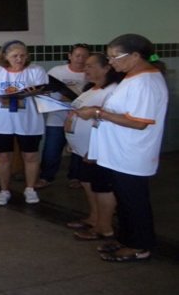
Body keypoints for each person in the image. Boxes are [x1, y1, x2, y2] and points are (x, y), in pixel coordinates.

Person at [75, 34, 168, 262]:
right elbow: (123, 111)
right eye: (109, 56)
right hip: (118, 154)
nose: (112, 62)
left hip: (132, 154)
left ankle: (139, 246)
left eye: (115, 56)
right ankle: (126, 239)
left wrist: (98, 113)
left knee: (134, 202)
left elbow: (139, 122)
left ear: (136, 55)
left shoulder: (145, 81)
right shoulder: (132, 76)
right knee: (124, 202)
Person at [63, 53, 122, 241]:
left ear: (106, 68)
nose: (85, 69)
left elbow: (108, 122)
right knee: (88, 184)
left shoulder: (112, 92)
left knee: (101, 187)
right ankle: (94, 217)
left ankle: (103, 225)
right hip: (82, 148)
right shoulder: (91, 89)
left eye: (90, 66)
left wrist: (95, 149)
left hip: (96, 150)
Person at [0, 40, 47, 206]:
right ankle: (4, 190)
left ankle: (30, 188)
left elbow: (45, 98)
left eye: (23, 55)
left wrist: (36, 93)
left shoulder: (36, 71)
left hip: (29, 121)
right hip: (1, 122)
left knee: (30, 155)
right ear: (5, 56)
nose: (19, 59)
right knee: (3, 157)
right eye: (15, 56)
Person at [36, 44, 89, 189]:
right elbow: (44, 91)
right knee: (52, 149)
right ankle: (46, 176)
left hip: (80, 119)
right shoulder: (56, 71)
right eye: (77, 55)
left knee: (78, 149)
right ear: (70, 56)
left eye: (84, 56)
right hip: (57, 117)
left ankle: (75, 177)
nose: (80, 59)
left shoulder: (89, 73)